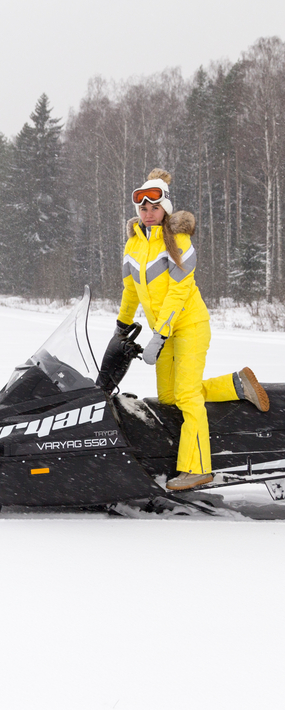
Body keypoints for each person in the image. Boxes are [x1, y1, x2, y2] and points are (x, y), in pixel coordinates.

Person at [115, 168, 269, 490]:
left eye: (154, 207)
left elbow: (179, 291)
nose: (147, 212)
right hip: (165, 331)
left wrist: (160, 333)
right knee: (169, 397)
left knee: (187, 396)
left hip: (189, 326)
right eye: (142, 208)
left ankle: (198, 468)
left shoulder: (179, 240)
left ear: (165, 208)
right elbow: (131, 290)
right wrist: (122, 324)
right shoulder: (133, 246)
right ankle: (235, 385)